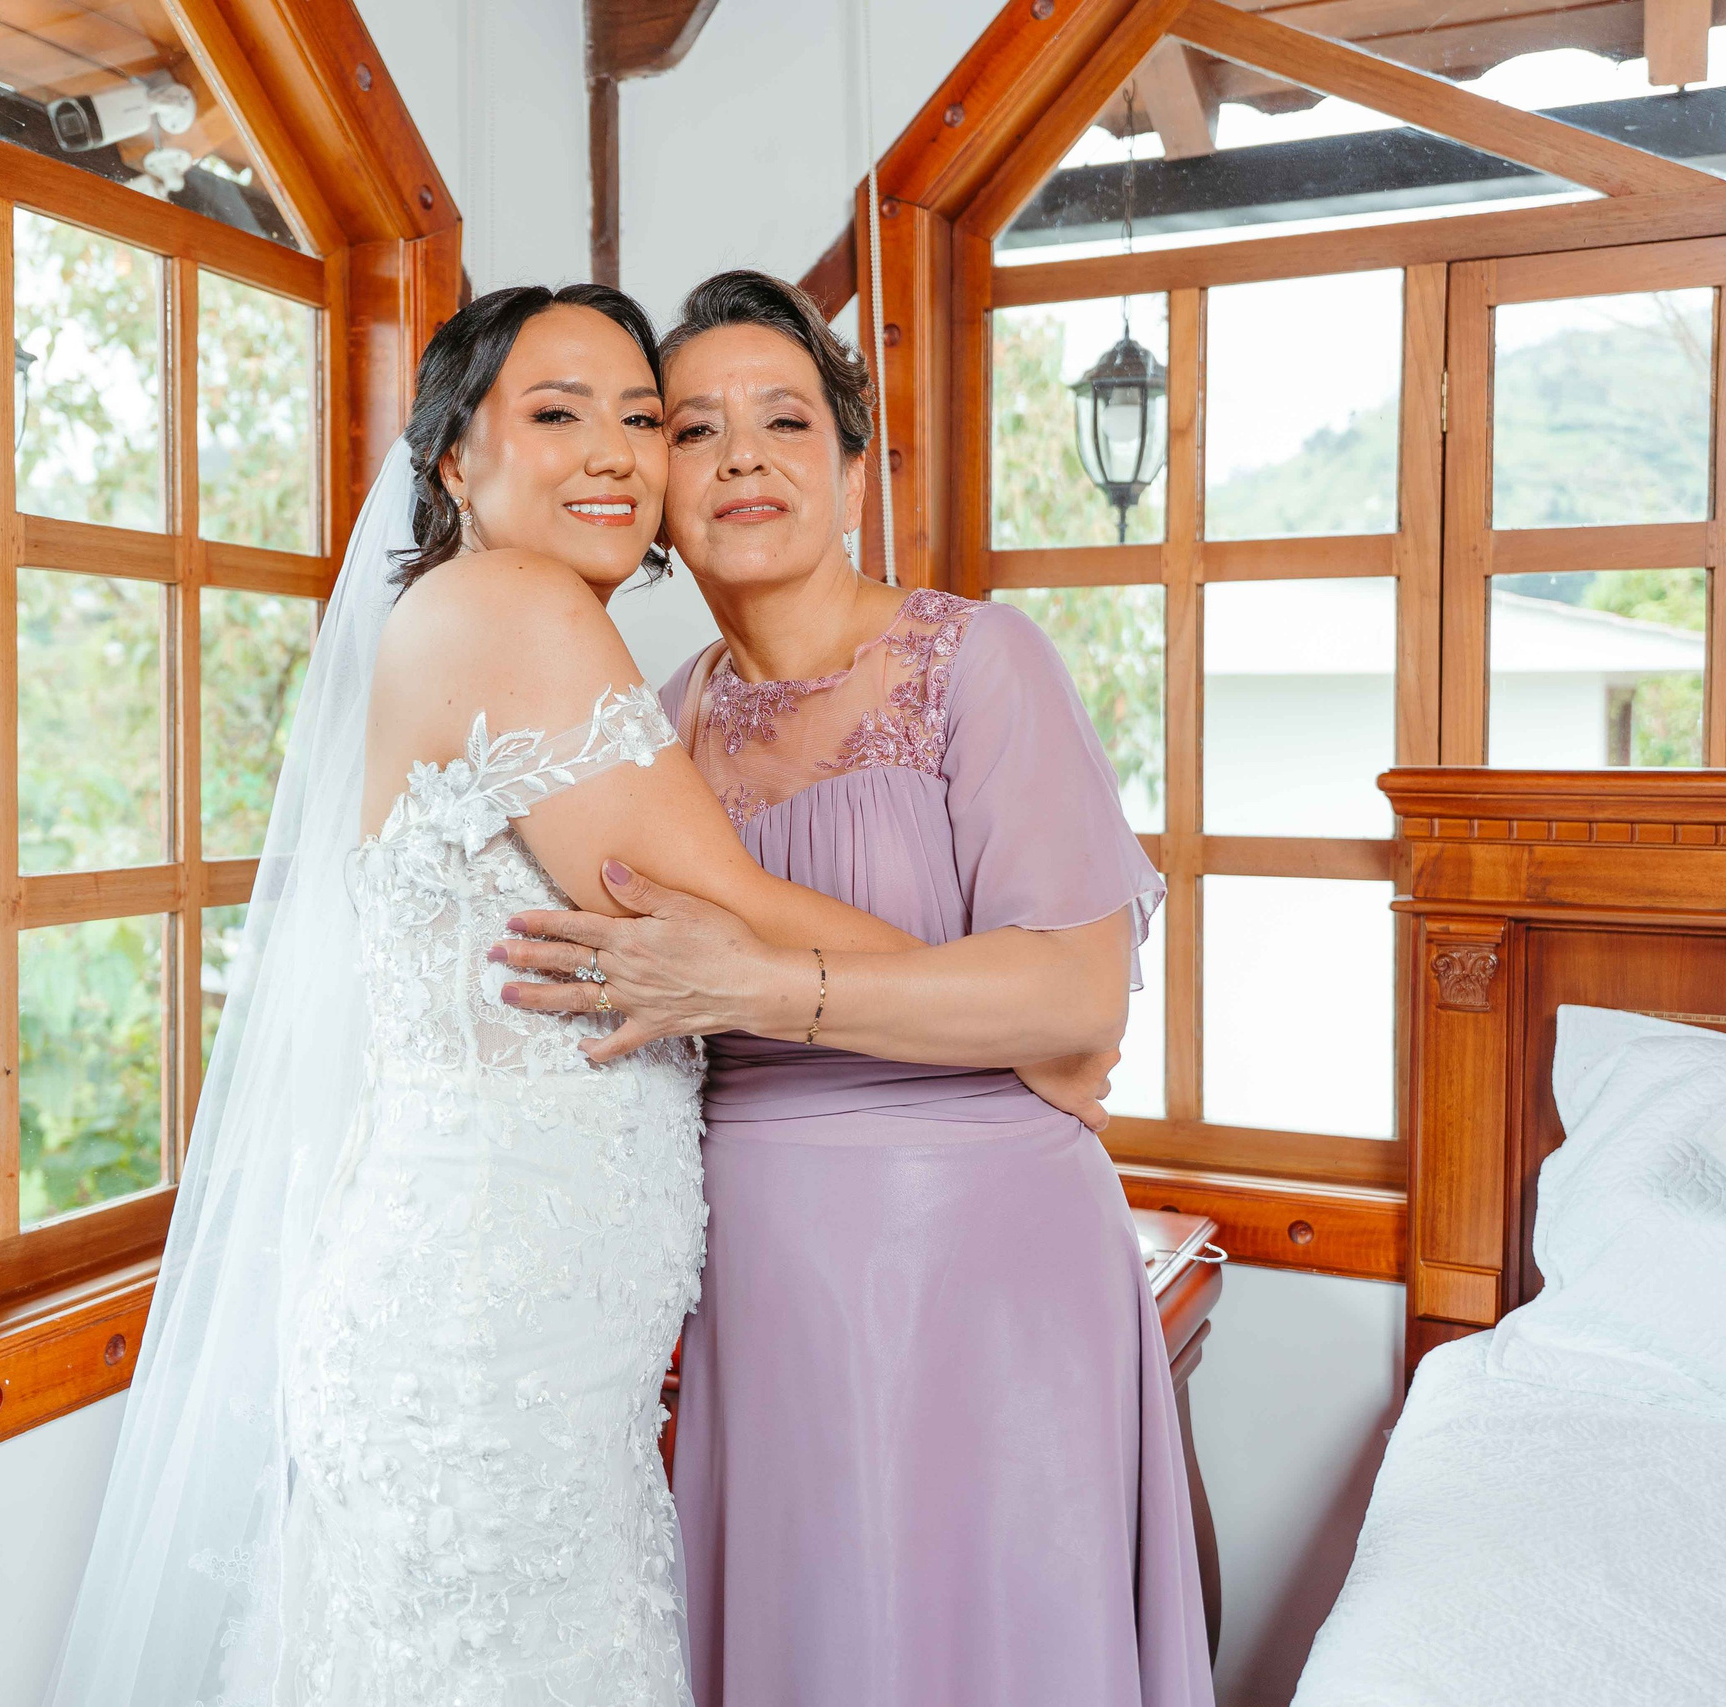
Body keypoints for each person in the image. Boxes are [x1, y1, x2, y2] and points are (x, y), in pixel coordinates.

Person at [48, 281, 963, 1707]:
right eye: (556, 414)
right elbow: (714, 906)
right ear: (453, 461)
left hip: (532, 1322)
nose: (613, 451)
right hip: (483, 1331)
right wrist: (991, 1000)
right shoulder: (508, 604)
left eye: (640, 419)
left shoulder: (510, 631)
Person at [496, 271, 1211, 1707]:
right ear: (654, 485)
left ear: (852, 463)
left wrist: (760, 982)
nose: (744, 457)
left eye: (787, 421)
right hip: (765, 1286)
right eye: (694, 429)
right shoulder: (656, 724)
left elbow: (1078, 1006)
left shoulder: (979, 664)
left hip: (992, 1262)